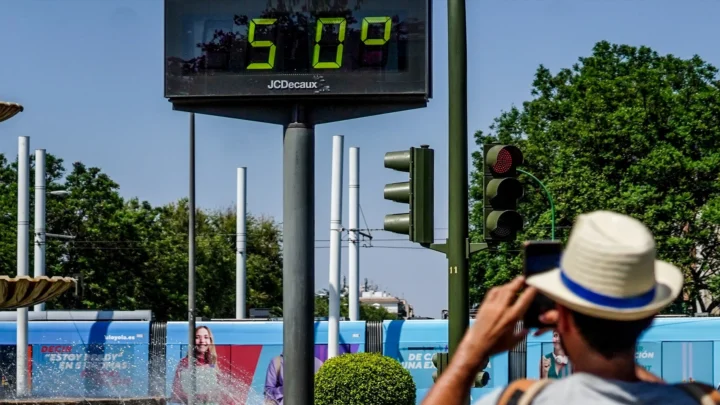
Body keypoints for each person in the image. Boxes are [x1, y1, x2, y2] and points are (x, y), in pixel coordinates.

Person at [421, 210, 720, 405]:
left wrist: (469, 357)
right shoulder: (702, 400)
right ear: (650, 315)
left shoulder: (519, 400)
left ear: (559, 315)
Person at [171, 326, 221, 404]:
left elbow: (219, 391)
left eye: (206, 337)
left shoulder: (213, 363)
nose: (202, 341)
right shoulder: (185, 363)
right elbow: (177, 392)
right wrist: (200, 396)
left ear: (210, 341)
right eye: (197, 337)